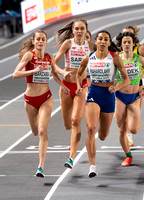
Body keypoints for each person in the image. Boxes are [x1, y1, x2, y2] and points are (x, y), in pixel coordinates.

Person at [13, 30, 69, 178]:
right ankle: (40, 164)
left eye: (43, 39)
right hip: (30, 100)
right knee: (35, 132)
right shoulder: (29, 55)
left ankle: (41, 167)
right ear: (33, 41)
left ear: (45, 42)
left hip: (46, 98)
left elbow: (55, 70)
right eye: (38, 39)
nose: (40, 41)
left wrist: (63, 78)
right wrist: (34, 71)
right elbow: (15, 74)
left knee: (43, 131)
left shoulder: (49, 57)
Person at [76, 30, 130, 177]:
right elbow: (79, 72)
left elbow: (126, 80)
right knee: (91, 129)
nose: (103, 41)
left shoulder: (115, 58)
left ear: (108, 42)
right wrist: (80, 86)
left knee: (103, 135)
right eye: (100, 39)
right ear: (96, 41)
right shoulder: (88, 57)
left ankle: (101, 135)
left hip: (108, 96)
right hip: (93, 93)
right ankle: (92, 165)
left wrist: (116, 87)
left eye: (106, 39)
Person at [54, 19, 94, 169]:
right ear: (73, 30)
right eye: (76, 28)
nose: (79, 31)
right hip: (66, 86)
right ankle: (73, 139)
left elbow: (98, 64)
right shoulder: (68, 44)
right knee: (67, 124)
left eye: (82, 28)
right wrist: (63, 72)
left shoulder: (90, 46)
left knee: (76, 120)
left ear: (86, 30)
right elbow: (54, 63)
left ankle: (71, 158)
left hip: (81, 86)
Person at [115, 32, 144, 166]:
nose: (126, 44)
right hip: (119, 97)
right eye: (124, 42)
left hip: (134, 97)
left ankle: (128, 140)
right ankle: (128, 156)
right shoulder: (116, 59)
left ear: (133, 44)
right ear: (121, 45)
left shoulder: (140, 59)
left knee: (133, 129)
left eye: (129, 42)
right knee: (121, 129)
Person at [122, 25, 144, 146]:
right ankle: (124, 133)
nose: (127, 37)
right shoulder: (120, 49)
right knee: (122, 113)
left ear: (134, 36)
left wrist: (141, 76)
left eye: (129, 35)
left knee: (133, 111)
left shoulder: (141, 49)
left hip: (137, 84)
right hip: (122, 85)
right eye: (124, 35)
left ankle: (129, 136)